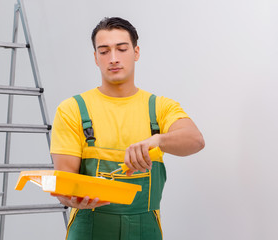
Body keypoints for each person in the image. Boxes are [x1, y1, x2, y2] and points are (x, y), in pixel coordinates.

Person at [50, 17, 205, 240]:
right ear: (95, 57)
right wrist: (70, 198)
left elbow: (195, 140)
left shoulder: (160, 107)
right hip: (89, 228)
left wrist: (157, 140)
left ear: (136, 52)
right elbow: (65, 180)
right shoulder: (72, 109)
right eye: (104, 51)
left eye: (121, 49)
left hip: (145, 230)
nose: (113, 58)